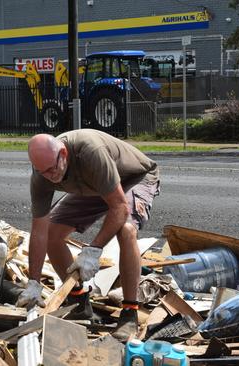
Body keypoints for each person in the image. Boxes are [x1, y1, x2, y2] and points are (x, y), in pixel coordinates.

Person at [16, 129, 160, 341]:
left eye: (53, 169)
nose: (50, 176)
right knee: (52, 234)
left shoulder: (90, 151)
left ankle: (130, 313)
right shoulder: (42, 175)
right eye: (43, 171)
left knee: (126, 229)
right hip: (95, 186)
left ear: (63, 153)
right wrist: (34, 282)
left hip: (133, 178)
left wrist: (93, 250)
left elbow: (120, 207)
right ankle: (80, 302)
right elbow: (39, 230)